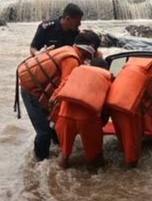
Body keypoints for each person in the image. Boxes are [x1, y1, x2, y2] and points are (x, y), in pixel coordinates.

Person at [17, 30, 101, 161]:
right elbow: (65, 87)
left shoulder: (69, 49)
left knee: (52, 125)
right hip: (31, 91)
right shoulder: (72, 59)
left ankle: (54, 152)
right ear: (89, 48)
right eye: (95, 49)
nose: (96, 53)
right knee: (43, 132)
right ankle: (39, 163)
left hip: (35, 87)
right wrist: (55, 103)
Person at [51, 59, 112, 169]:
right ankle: (92, 182)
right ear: (105, 70)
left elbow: (53, 98)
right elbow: (108, 105)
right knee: (95, 157)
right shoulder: (106, 78)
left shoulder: (75, 74)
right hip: (88, 120)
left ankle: (58, 174)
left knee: (64, 154)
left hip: (64, 117)